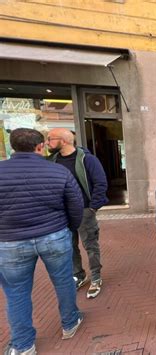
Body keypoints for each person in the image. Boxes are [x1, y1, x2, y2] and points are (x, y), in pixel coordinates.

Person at [0, 128, 84, 355]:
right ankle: (70, 323)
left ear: (13, 147)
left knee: (16, 293)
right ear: (40, 147)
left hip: (10, 243)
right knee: (64, 281)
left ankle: (24, 345)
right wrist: (69, 228)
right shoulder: (57, 171)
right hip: (53, 236)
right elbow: (76, 205)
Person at [47, 128, 109, 299]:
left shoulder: (87, 159)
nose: (47, 142)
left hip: (84, 211)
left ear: (64, 141)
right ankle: (79, 275)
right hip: (62, 213)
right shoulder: (52, 161)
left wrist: (92, 208)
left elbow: (100, 183)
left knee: (90, 245)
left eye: (51, 139)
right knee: (69, 246)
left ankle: (96, 277)